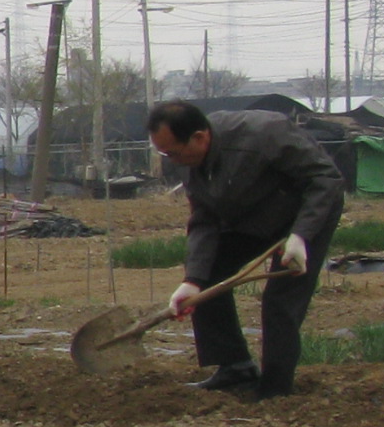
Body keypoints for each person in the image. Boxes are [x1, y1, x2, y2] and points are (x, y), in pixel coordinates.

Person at [147, 98, 344, 399]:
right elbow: (204, 220)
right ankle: (235, 367)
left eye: (173, 152)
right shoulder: (189, 162)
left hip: (308, 211)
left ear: (199, 137)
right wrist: (192, 280)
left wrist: (302, 235)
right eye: (164, 153)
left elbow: (326, 180)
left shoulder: (265, 134)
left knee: (280, 301)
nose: (171, 160)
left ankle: (275, 389)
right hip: (254, 212)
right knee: (208, 275)